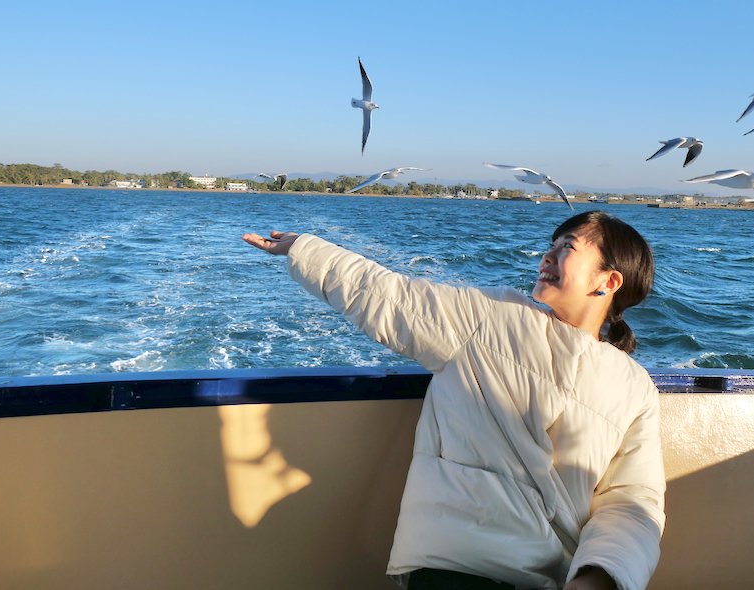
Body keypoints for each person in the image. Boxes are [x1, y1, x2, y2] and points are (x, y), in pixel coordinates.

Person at [242, 210, 665, 590]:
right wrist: (306, 250)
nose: (548, 256)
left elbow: (632, 501)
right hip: (458, 566)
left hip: (557, 577)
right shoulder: (492, 318)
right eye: (550, 246)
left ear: (608, 282)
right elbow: (388, 297)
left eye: (567, 248)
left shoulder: (634, 386)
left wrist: (597, 580)